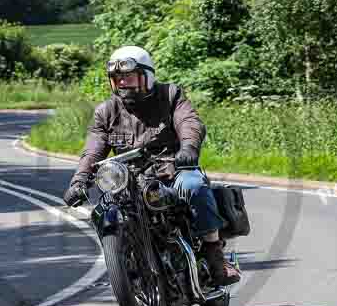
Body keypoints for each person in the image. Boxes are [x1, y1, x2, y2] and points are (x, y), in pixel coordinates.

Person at [62, 45, 240, 286]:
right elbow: (93, 149)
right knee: (104, 211)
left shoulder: (169, 95)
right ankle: (125, 262)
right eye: (118, 79)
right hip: (128, 182)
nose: (123, 83)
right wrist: (79, 181)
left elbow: (189, 121)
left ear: (146, 75)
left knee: (195, 187)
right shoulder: (106, 111)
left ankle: (214, 255)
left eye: (129, 76)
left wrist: (188, 148)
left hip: (172, 171)